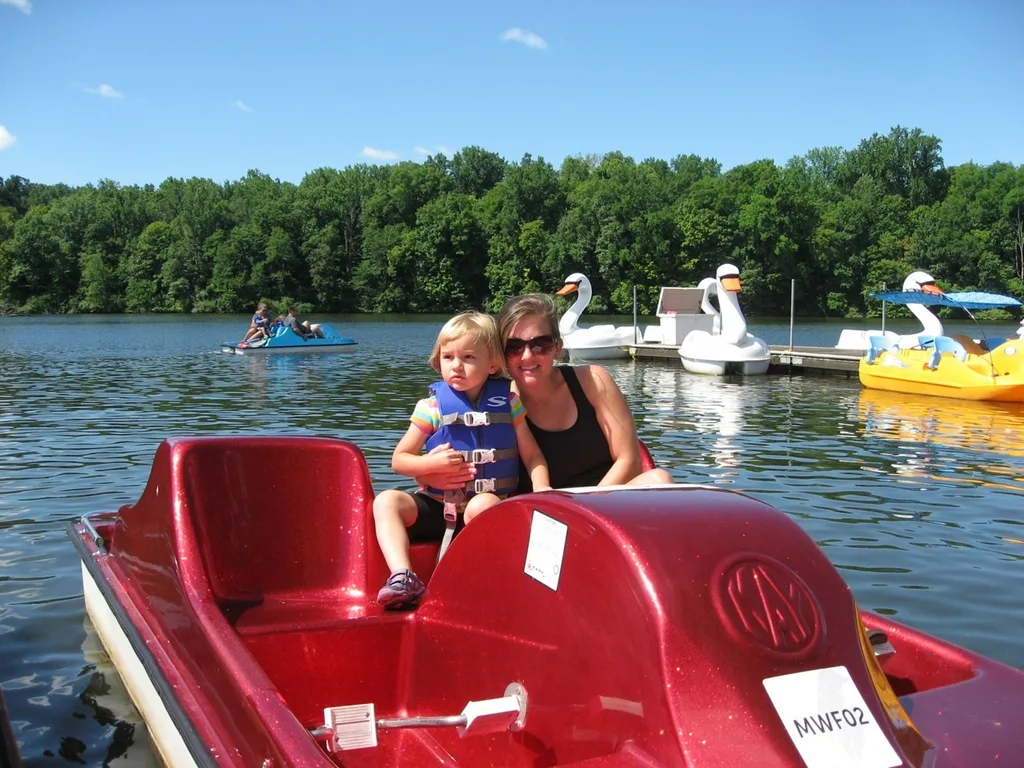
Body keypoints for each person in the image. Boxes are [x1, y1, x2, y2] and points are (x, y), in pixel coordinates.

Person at [372, 311, 551, 609]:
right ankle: (403, 577)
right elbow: (399, 460)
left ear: (492, 363)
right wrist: (429, 466)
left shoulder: (508, 403)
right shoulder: (430, 407)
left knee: (482, 504)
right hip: (439, 504)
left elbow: (532, 455)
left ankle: (481, 580)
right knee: (386, 502)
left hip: (487, 507)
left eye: (468, 357)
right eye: (448, 357)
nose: (456, 365)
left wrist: (543, 490)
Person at [497, 293, 673, 490]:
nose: (527, 356)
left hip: (605, 502)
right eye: (514, 347)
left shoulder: (594, 382)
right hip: (541, 512)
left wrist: (581, 508)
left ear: (557, 348)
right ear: (501, 354)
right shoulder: (498, 403)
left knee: (660, 479)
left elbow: (630, 461)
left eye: (540, 345)